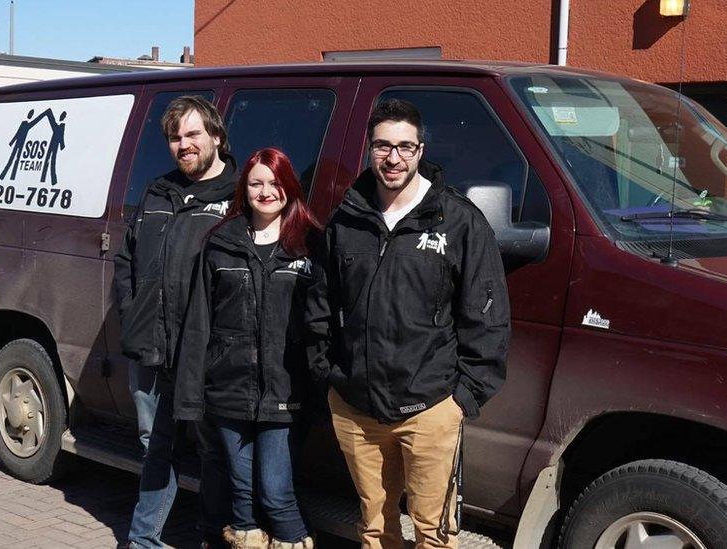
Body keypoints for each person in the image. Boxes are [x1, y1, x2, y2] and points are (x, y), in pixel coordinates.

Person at [309, 98, 511, 549]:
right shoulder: (347, 220)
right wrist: (329, 376)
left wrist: (463, 397)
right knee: (375, 529)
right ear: (369, 149)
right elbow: (320, 304)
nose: (393, 158)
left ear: (421, 150)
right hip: (357, 407)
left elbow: (488, 315)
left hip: (431, 408)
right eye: (383, 146)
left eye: (405, 147)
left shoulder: (458, 221)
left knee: (433, 535)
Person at [175, 148, 320, 549]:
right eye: (256, 183)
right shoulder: (221, 243)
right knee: (241, 498)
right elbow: (198, 323)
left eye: (275, 183)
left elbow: (326, 321)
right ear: (244, 189)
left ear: (289, 186)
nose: (266, 191)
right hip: (227, 391)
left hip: (285, 392)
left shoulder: (311, 245)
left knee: (275, 493)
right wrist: (190, 398)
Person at [113, 95, 238, 549]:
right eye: (174, 137)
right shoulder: (157, 192)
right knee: (154, 446)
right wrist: (131, 318)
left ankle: (211, 535)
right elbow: (127, 261)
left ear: (217, 138)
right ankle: (143, 539)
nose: (183, 144)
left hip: (206, 355)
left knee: (213, 450)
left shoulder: (239, 198)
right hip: (151, 347)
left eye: (192, 134)